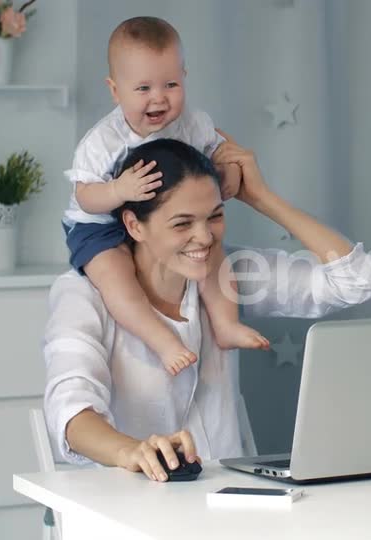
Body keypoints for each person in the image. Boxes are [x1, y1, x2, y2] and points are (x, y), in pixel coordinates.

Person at [44, 135, 371, 482]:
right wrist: (130, 450)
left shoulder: (226, 274)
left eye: (215, 217)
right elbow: (71, 412)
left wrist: (262, 198)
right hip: (132, 508)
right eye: (182, 223)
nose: (205, 237)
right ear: (134, 225)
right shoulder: (82, 295)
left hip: (232, 503)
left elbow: (359, 280)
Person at [62, 16, 266, 379]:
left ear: (184, 76)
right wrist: (117, 191)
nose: (159, 98)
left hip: (165, 224)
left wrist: (231, 173)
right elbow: (84, 196)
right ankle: (162, 340)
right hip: (101, 226)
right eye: (142, 89)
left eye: (170, 84)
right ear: (115, 89)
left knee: (213, 254)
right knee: (116, 278)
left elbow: (222, 149)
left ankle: (225, 323)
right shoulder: (103, 141)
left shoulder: (192, 123)